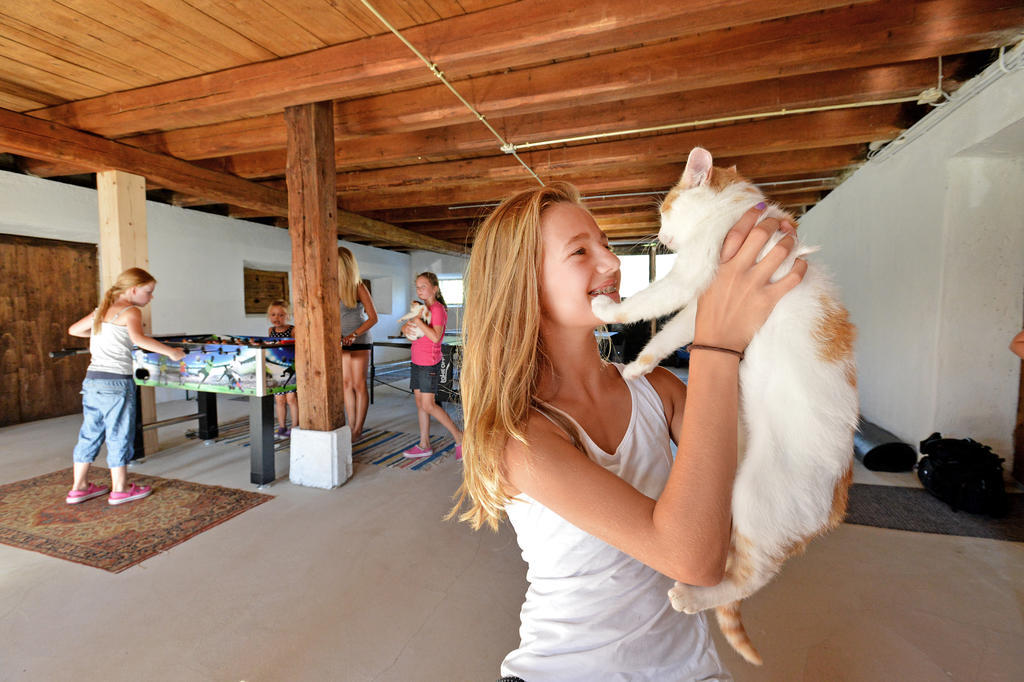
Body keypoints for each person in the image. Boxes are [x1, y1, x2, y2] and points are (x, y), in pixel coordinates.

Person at [450, 183, 805, 680]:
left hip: (688, 669)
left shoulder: (656, 388)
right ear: (521, 284)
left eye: (605, 244)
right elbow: (693, 560)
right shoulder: (521, 438)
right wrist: (715, 346)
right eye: (580, 251)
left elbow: (766, 468)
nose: (612, 263)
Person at [66, 267, 186, 505]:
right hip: (116, 382)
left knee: (90, 433)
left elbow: (73, 330)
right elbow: (139, 339)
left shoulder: (101, 311)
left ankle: (79, 487)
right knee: (119, 432)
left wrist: (99, 334)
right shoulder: (131, 311)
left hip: (92, 380)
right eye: (148, 292)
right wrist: (171, 352)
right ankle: (120, 488)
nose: (151, 297)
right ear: (133, 290)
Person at [401, 272, 464, 459]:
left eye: (423, 286)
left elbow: (436, 337)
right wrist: (406, 328)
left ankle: (459, 437)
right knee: (420, 404)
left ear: (434, 288)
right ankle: (424, 445)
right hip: (417, 361)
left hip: (430, 363)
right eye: (417, 287)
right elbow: (409, 331)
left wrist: (418, 321)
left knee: (429, 405)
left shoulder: (437, 309)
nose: (419, 290)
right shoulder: (420, 309)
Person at [338, 247, 378, 442]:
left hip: (359, 340)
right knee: (346, 384)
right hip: (340, 342)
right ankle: (351, 425)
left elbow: (373, 318)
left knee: (358, 384)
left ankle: (358, 429)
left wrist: (354, 334)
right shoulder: (332, 286)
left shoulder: (358, 286)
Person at [267, 299, 298, 437]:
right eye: (273, 315)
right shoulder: (271, 331)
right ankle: (281, 426)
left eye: (281, 315)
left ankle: (295, 426)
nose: (277, 318)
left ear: (287, 316)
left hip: (290, 368)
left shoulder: (293, 330)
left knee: (291, 398)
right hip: (276, 370)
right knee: (279, 399)